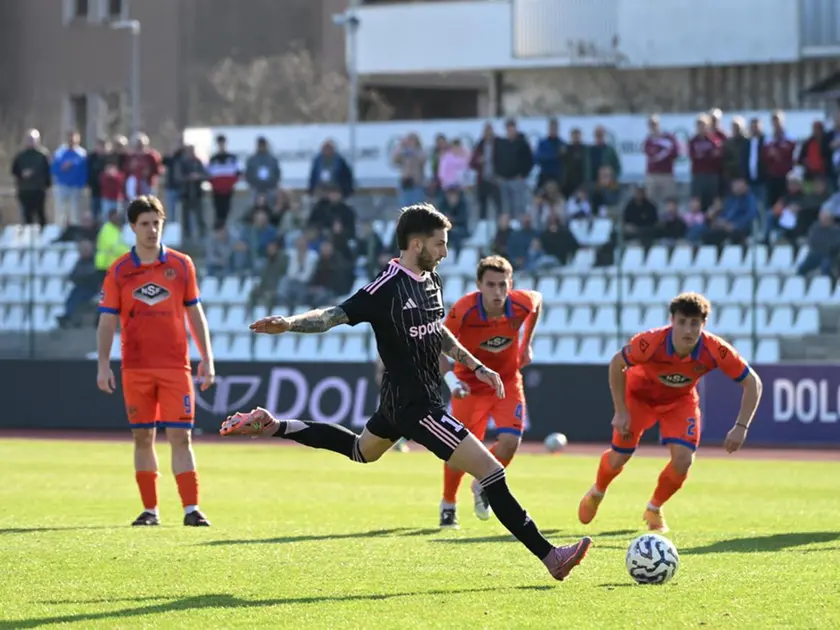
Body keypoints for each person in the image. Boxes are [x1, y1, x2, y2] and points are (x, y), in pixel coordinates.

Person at [220, 203, 591, 581]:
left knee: (360, 450)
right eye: (439, 244)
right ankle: (551, 557)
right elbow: (333, 315)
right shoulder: (386, 287)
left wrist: (477, 364)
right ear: (416, 244)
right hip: (418, 408)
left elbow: (438, 331)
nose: (445, 252)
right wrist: (289, 323)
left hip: (400, 402)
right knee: (492, 472)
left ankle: (275, 424)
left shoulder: (432, 280)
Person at [578, 292, 762, 533]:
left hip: (679, 401)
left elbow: (753, 383)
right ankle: (597, 491)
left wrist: (741, 427)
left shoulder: (715, 349)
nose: (688, 329)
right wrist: (620, 410)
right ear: (672, 320)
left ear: (703, 324)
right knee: (619, 457)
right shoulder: (650, 343)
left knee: (684, 460)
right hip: (638, 398)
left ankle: (654, 508)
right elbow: (617, 363)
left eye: (695, 323)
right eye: (682, 321)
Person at [96, 195, 216, 528]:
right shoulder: (119, 270)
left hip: (176, 366)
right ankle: (150, 510)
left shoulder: (181, 265)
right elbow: (107, 320)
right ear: (132, 227)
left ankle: (191, 509)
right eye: (145, 224)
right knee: (142, 438)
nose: (152, 230)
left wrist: (207, 357)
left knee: (182, 437)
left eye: (156, 223)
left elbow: (195, 313)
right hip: (135, 367)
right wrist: (103, 364)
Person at [437, 255, 542, 529]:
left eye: (503, 285)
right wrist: (450, 380)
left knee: (510, 441)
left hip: (506, 381)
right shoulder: (464, 310)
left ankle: (481, 482)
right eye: (491, 285)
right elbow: (438, 342)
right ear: (479, 285)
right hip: (470, 384)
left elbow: (538, 301)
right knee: (458, 450)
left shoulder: (521, 303)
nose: (497, 292)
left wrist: (526, 344)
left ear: (511, 284)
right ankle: (448, 504)